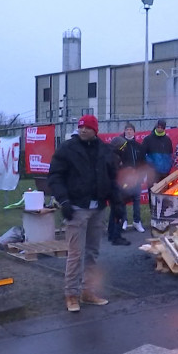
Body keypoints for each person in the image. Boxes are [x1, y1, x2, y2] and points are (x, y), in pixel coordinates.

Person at [48, 115, 119, 312]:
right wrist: (64, 200)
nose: (83, 130)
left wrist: (116, 202)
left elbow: (112, 178)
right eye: (80, 127)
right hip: (76, 209)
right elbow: (55, 176)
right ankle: (71, 294)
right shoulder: (67, 149)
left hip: (98, 209)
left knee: (92, 252)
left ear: (95, 130)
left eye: (87, 127)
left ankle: (88, 291)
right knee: (75, 254)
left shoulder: (104, 150)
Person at [117, 123, 146, 232]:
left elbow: (143, 162)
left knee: (137, 199)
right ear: (124, 132)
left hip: (136, 178)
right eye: (127, 130)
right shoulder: (120, 146)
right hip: (124, 179)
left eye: (131, 130)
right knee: (123, 199)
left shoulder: (139, 146)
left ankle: (137, 221)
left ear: (134, 132)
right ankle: (124, 220)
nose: (129, 132)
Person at [106, 136, 132, 246]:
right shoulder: (114, 157)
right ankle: (117, 236)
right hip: (114, 188)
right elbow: (114, 174)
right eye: (123, 147)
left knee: (113, 212)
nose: (124, 149)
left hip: (111, 187)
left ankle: (111, 234)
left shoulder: (111, 155)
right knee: (118, 211)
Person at [141, 119, 174, 185]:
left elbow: (170, 155)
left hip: (165, 173)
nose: (160, 129)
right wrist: (151, 165)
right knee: (153, 193)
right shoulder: (148, 139)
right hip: (153, 174)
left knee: (165, 193)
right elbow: (142, 154)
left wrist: (169, 166)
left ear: (164, 128)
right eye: (158, 127)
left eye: (162, 127)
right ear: (156, 127)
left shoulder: (167, 140)